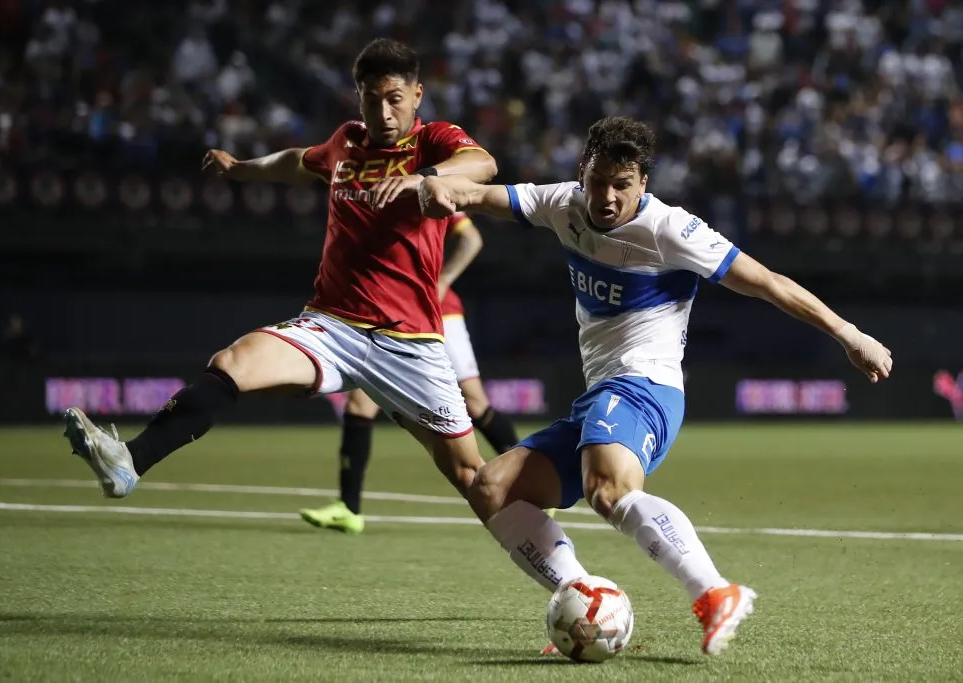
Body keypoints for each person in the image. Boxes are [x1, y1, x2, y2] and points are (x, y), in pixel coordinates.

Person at [418, 116, 893, 656]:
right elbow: (480, 195)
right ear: (583, 174)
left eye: (622, 185)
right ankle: (586, 595)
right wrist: (434, 184)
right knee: (492, 488)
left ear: (643, 184)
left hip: (646, 387)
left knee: (609, 491)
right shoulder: (562, 203)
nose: (607, 197)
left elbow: (769, 284)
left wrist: (850, 335)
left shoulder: (672, 230)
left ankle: (715, 593)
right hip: (599, 395)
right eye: (598, 181)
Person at [62, 39, 500, 511]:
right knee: (231, 363)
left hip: (408, 342)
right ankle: (129, 460)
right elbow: (296, 161)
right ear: (359, 97)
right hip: (332, 327)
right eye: (372, 99)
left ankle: (567, 572)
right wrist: (242, 170)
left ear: (417, 94)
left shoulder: (432, 140)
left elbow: (484, 164)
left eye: (394, 98)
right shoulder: (345, 143)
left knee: (470, 477)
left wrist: (426, 177)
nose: (384, 112)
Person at [300, 212, 520, 534]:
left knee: (474, 404)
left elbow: (472, 238)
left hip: (437, 312)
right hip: (387, 314)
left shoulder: (424, 190)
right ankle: (348, 508)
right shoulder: (368, 193)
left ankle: (525, 481)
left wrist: (442, 281)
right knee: (358, 405)